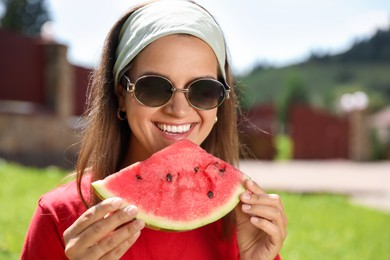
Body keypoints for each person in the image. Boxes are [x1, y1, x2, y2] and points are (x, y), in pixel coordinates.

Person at [21, 0, 287, 259]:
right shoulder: (60, 216)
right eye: (154, 87)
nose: (179, 110)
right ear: (121, 95)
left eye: (204, 91)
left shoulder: (245, 224)